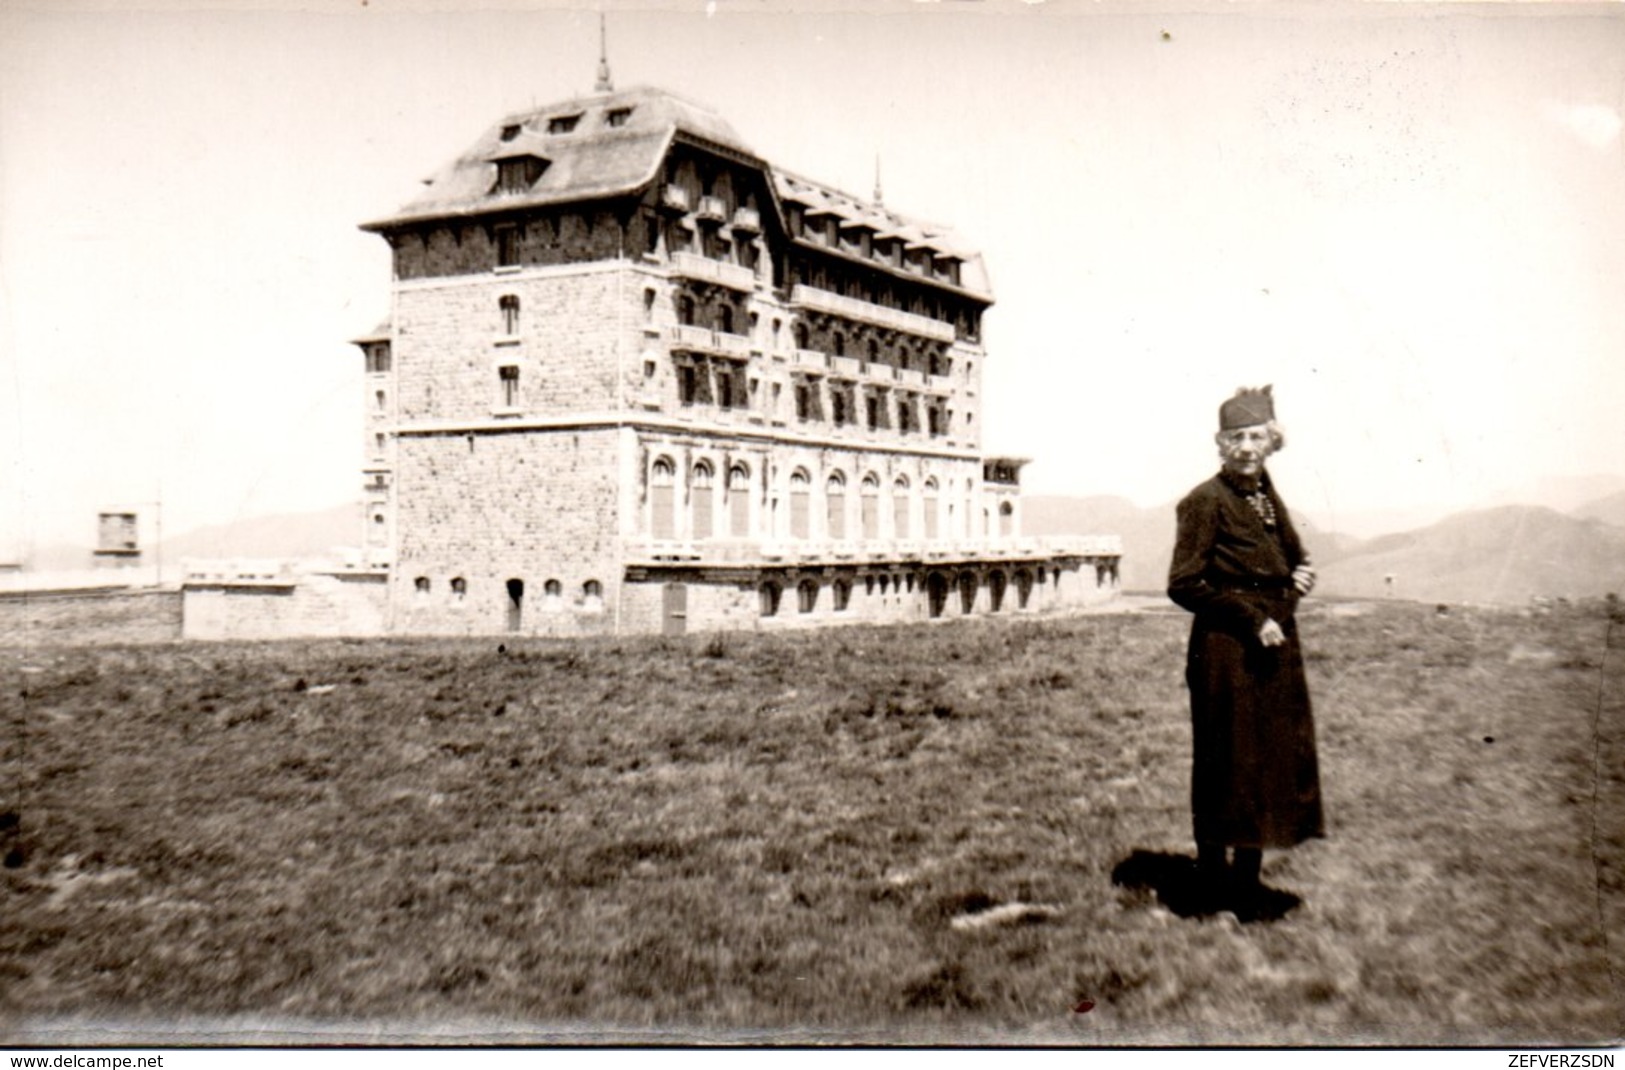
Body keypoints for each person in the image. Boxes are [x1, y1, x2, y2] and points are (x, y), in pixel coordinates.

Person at [1167, 385, 1323, 918]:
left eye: (1257, 436)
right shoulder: (1203, 502)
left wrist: (1297, 584)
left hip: (1274, 646)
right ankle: (1212, 885)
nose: (1247, 447)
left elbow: (1285, 564)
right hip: (1225, 651)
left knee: (1266, 762)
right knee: (1223, 762)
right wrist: (1252, 619)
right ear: (1220, 443)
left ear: (1271, 442)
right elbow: (1184, 584)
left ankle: (1247, 884)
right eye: (1237, 438)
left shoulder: (1266, 496)